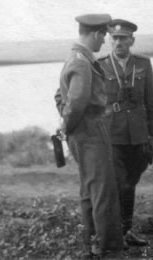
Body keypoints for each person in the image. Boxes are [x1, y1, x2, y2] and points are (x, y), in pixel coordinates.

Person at [54, 13, 123, 259]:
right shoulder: (82, 61)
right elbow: (77, 101)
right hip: (90, 130)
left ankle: (92, 242)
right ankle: (110, 249)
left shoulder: (75, 57)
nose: (104, 40)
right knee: (103, 190)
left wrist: (65, 123)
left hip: (82, 131)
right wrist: (68, 123)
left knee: (90, 188)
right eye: (103, 34)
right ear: (94, 33)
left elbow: (60, 97)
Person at [98, 19, 153, 247]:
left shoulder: (143, 64)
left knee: (131, 182)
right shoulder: (100, 65)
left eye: (123, 38)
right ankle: (118, 232)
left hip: (138, 135)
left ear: (131, 40)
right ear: (109, 41)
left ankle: (126, 231)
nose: (118, 42)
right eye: (114, 38)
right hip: (112, 135)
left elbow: (151, 101)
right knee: (120, 183)